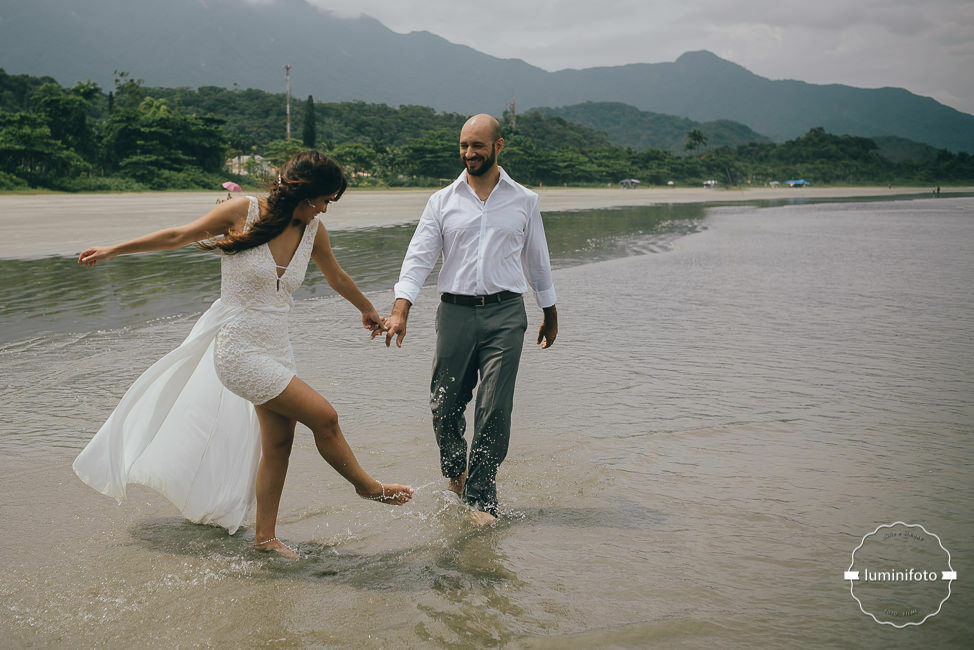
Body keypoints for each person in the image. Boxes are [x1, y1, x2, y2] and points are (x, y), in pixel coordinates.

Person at [73, 150, 413, 559]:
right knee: (325, 416)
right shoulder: (243, 210)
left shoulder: (313, 230)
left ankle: (265, 539)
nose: (325, 208)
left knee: (280, 443)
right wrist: (113, 250)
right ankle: (367, 486)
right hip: (238, 348)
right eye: (323, 198)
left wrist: (367, 310)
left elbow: (336, 275)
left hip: (277, 347)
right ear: (304, 193)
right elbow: (177, 235)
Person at [380, 114, 558, 525]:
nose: (469, 154)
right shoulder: (442, 201)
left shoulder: (525, 200)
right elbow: (419, 257)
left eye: (478, 146)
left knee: (494, 409)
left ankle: (480, 498)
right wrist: (400, 310)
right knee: (444, 405)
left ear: (498, 147)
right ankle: (457, 473)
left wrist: (550, 312)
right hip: (455, 313)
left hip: (506, 314)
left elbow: (537, 261)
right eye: (464, 145)